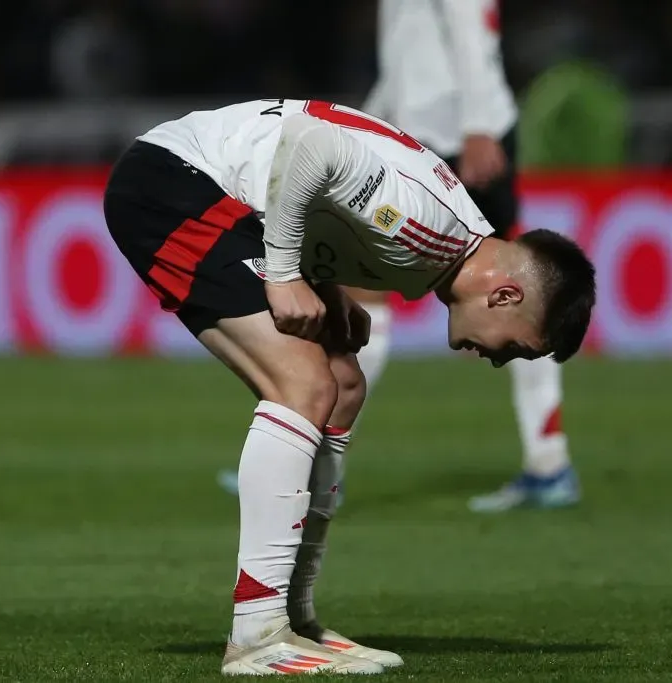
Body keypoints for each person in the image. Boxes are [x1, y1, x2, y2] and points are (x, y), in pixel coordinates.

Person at [103, 98, 596, 675]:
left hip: (221, 197)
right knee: (304, 383)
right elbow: (316, 147)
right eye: (515, 347)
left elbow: (326, 193)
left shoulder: (447, 240)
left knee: (343, 382)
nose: (496, 361)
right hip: (174, 183)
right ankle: (257, 633)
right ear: (505, 296)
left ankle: (296, 618)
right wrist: (287, 273)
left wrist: (328, 286)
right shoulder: (428, 226)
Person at [363, 0, 583, 512]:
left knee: (365, 290)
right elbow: (408, 51)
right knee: (506, 294)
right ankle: (550, 463)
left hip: (453, 137)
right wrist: (372, 120)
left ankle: (313, 466)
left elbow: (468, 25)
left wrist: (478, 127)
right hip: (431, 132)